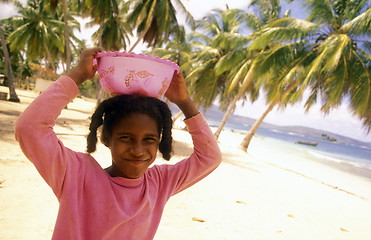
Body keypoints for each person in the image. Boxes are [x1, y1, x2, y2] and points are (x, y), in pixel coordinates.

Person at [15, 48, 222, 240]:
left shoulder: (159, 183)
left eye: (149, 140)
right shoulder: (76, 175)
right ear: (106, 138)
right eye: (126, 138)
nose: (138, 150)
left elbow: (210, 158)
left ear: (159, 142)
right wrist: (78, 74)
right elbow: (30, 128)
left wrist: (184, 102)